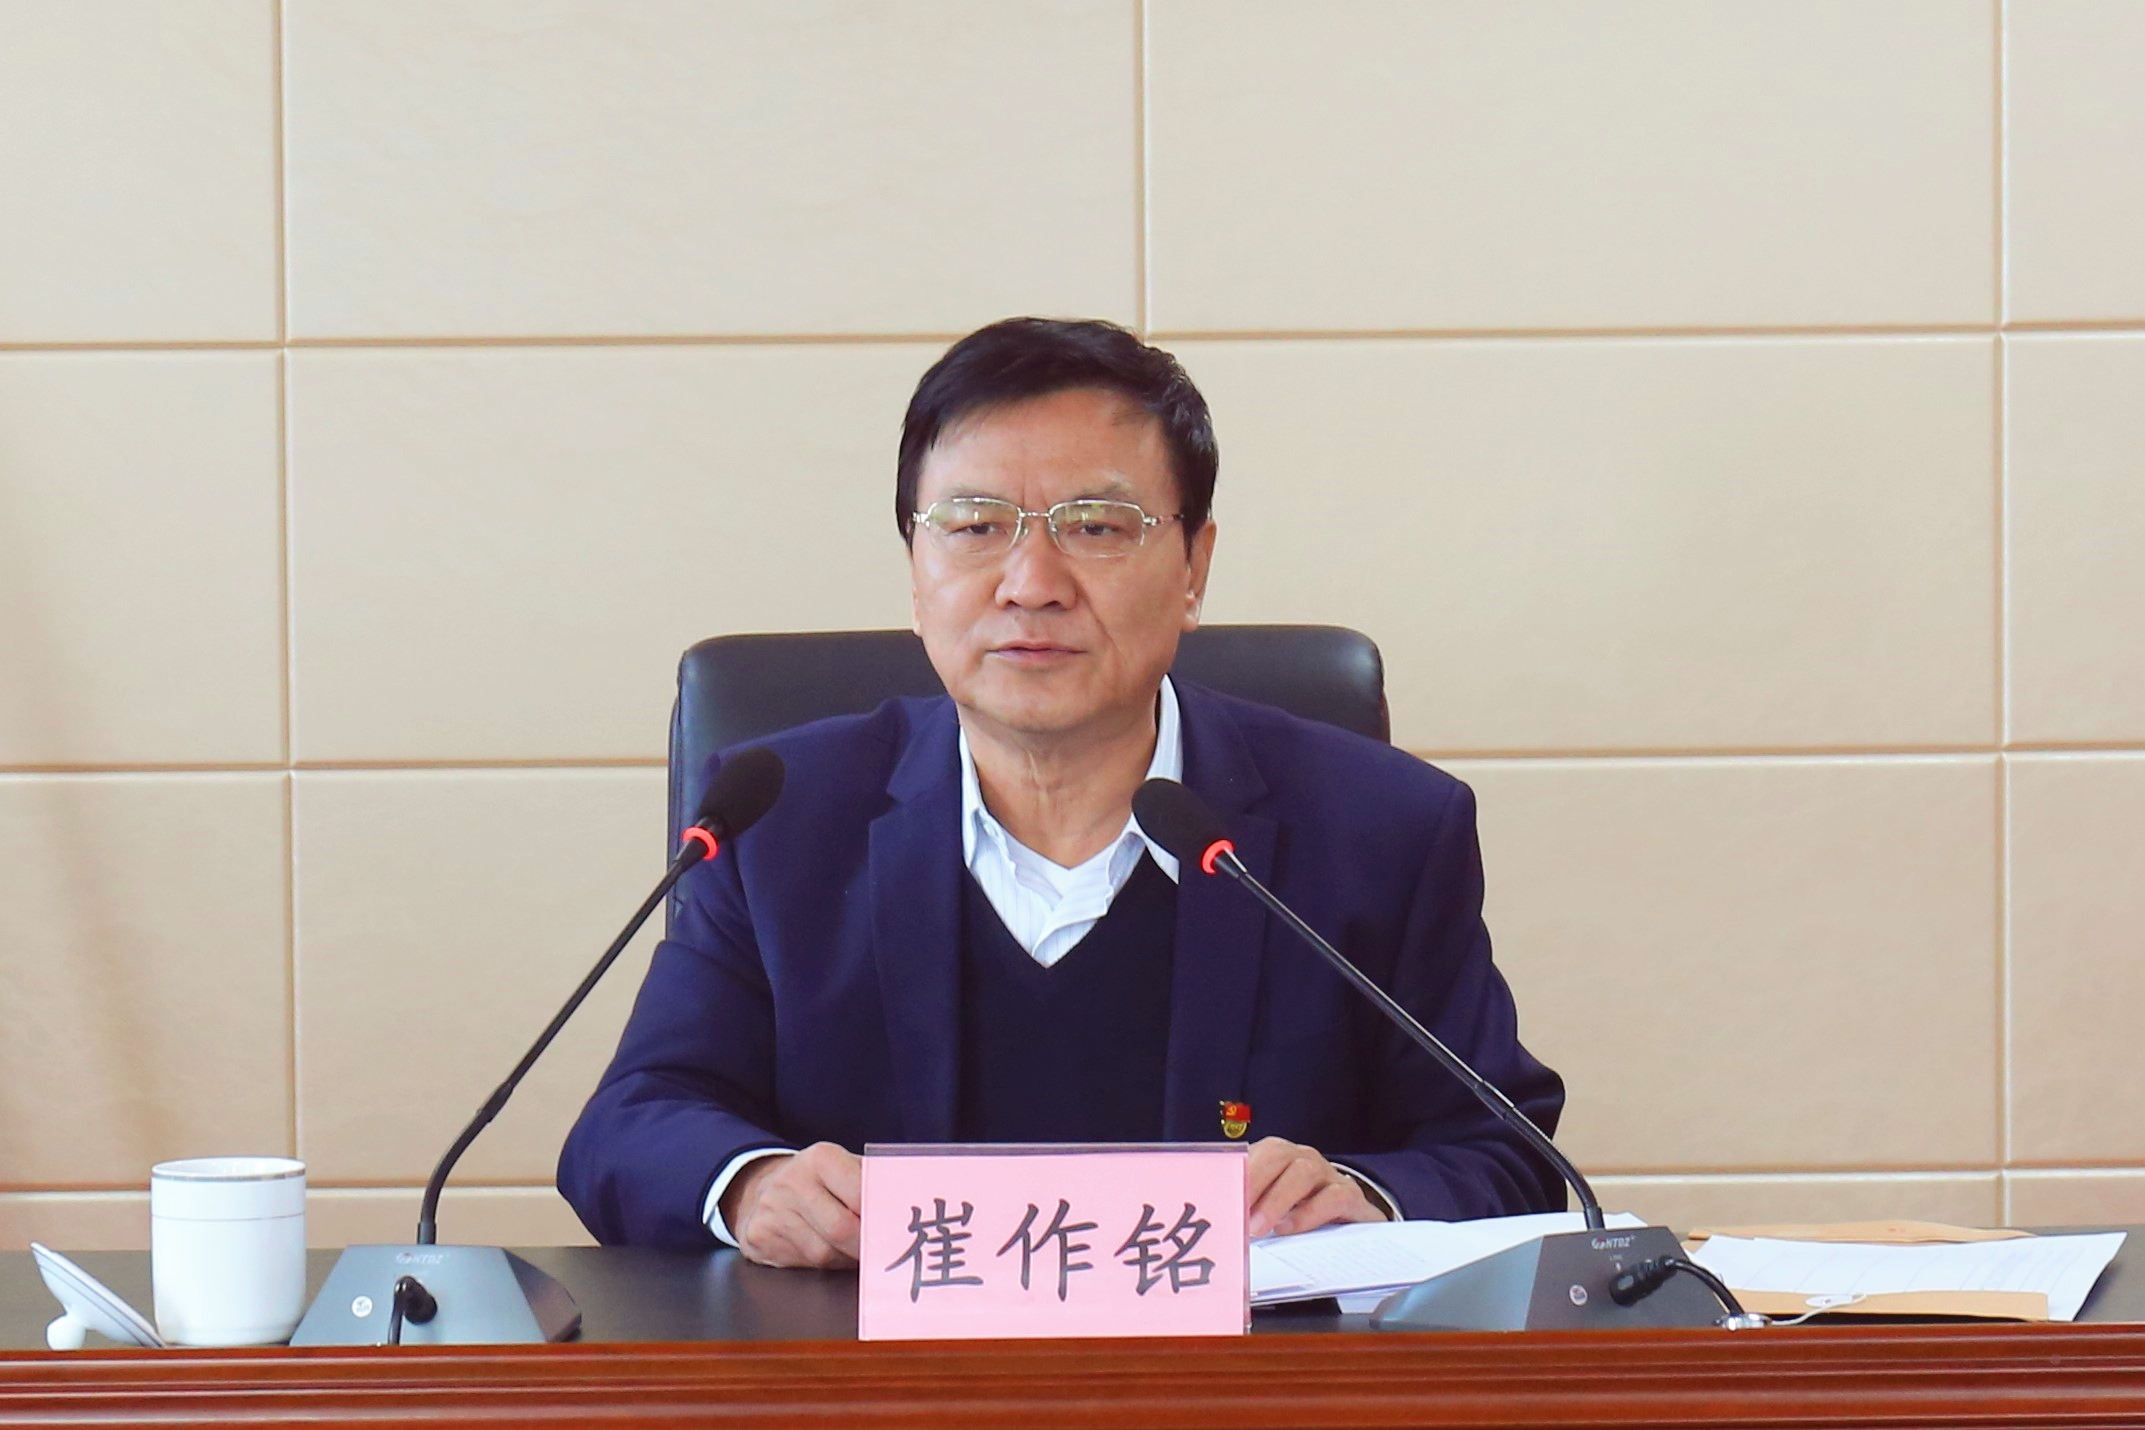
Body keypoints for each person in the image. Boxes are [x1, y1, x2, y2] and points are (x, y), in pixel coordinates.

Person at [558, 317, 1566, 1264]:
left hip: (1247, 1376)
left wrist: (1364, 1198)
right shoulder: (781, 818)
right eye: (974, 525)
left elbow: (1505, 1152)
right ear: (914, 568)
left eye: (1095, 525)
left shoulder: (1381, 827)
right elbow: (634, 1121)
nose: (1031, 582)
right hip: (873, 1378)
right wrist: (749, 1184)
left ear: (1194, 566)